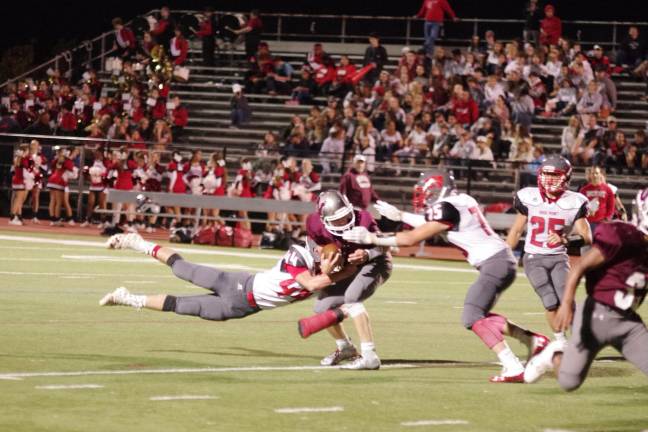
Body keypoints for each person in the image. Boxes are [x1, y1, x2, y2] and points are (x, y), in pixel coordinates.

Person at [342, 170, 549, 382]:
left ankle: (512, 366)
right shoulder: (460, 200)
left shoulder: (447, 207)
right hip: (501, 260)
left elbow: (411, 239)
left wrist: (373, 238)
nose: (424, 197)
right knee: (480, 314)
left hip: (494, 263)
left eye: (426, 192)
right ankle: (532, 340)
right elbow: (433, 221)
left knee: (471, 316)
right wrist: (402, 216)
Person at [524, 188, 648, 390]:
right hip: (595, 316)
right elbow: (579, 268)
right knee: (569, 382)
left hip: (628, 323)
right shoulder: (623, 235)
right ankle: (553, 355)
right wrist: (565, 304)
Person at [101, 233, 357, 323]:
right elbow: (311, 283)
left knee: (181, 306)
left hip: (241, 307)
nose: (330, 266)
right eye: (328, 260)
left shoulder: (328, 275)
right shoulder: (298, 255)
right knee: (182, 269)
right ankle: (138, 243)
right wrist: (343, 272)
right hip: (236, 283)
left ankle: (127, 298)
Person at [298, 190, 392, 370]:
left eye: (345, 216)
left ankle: (369, 355)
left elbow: (387, 246)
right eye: (337, 220)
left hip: (376, 262)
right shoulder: (314, 223)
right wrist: (322, 260)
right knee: (321, 307)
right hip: (348, 268)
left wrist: (366, 253)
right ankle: (345, 347)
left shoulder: (363, 218)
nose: (343, 223)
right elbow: (313, 243)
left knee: (352, 297)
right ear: (324, 219)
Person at [506, 156, 592, 345]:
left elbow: (587, 237)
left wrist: (565, 239)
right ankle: (560, 342)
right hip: (533, 257)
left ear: (566, 178)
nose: (549, 179)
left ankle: (579, 338)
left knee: (566, 298)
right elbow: (517, 229)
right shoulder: (529, 197)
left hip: (559, 258)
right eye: (546, 174)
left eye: (555, 175)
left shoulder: (575, 201)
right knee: (549, 299)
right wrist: (503, 255)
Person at [579, 166, 615, 234]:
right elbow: (580, 207)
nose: (594, 175)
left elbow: (611, 206)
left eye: (596, 173)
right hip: (588, 222)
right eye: (592, 173)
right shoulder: (584, 190)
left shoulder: (608, 189)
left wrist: (607, 218)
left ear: (600, 174)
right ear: (590, 175)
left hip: (602, 222)